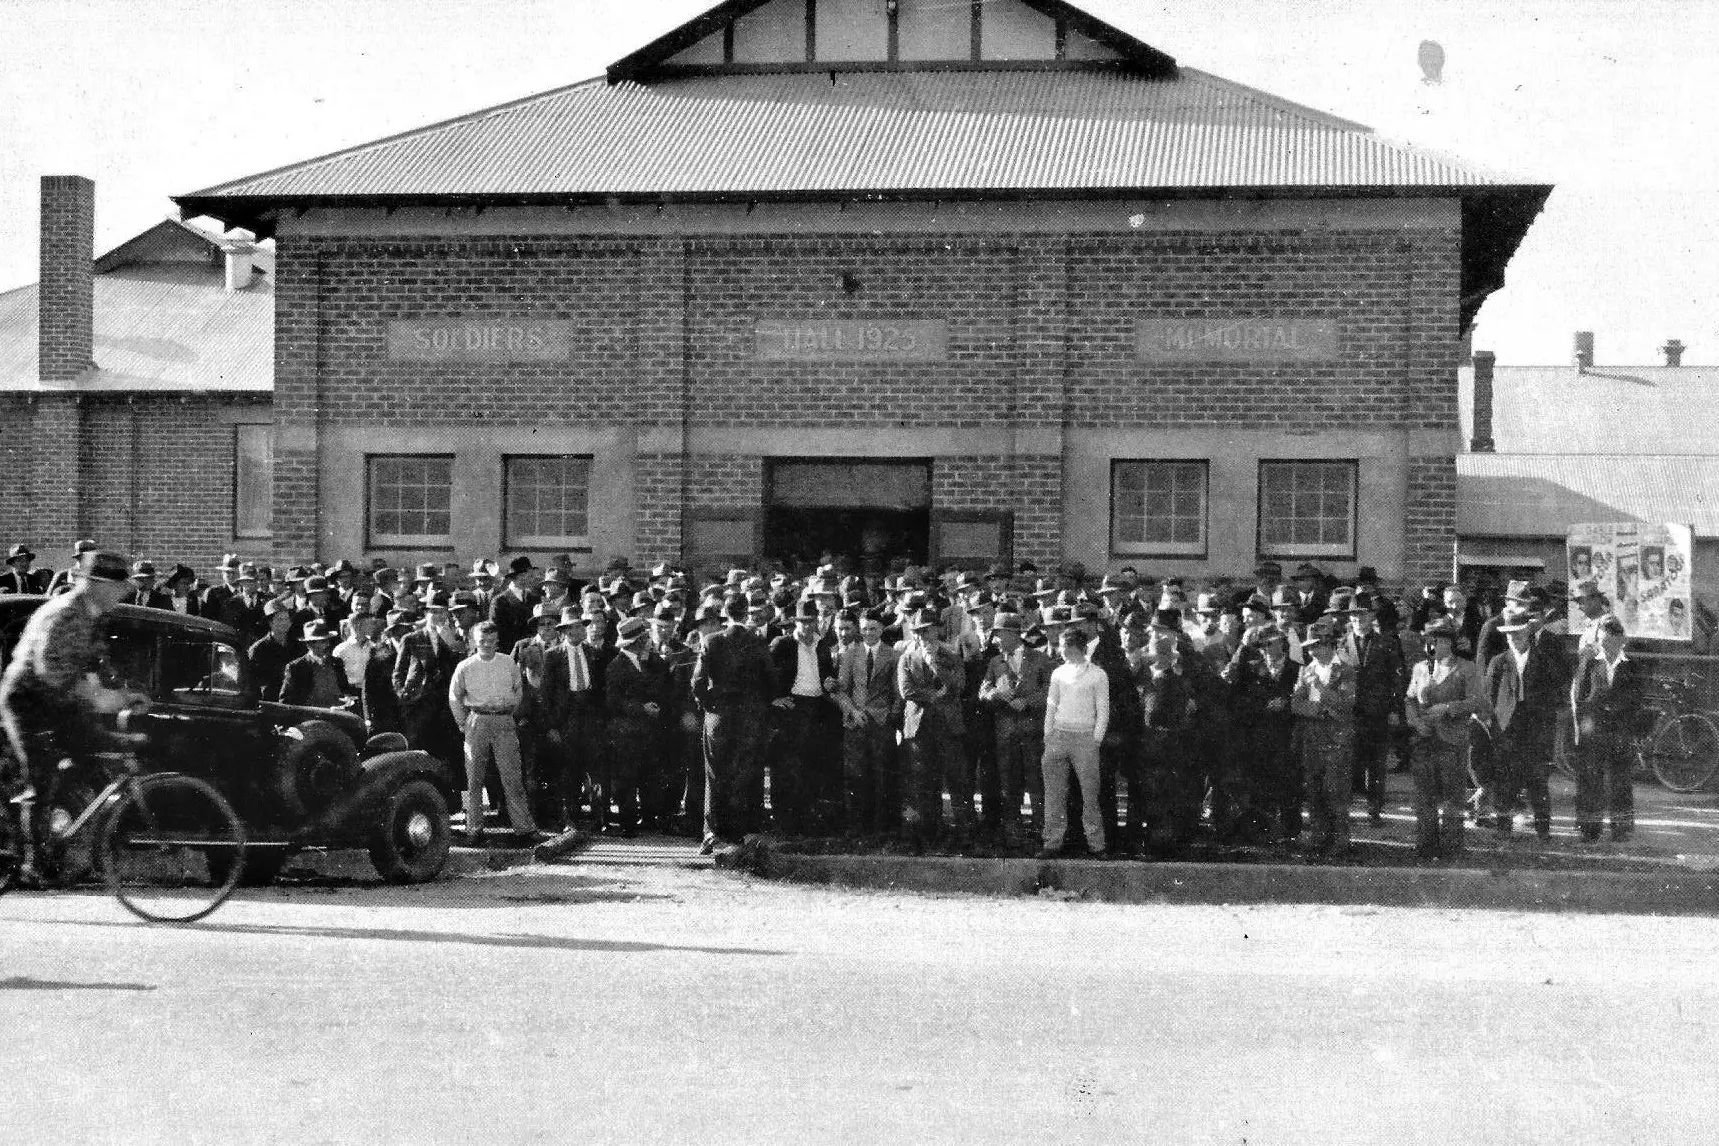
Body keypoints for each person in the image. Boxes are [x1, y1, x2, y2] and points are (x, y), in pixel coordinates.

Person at [0, 550, 140, 876]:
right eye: (119, 589)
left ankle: (67, 834)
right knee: (42, 775)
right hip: (27, 700)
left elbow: (98, 663)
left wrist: (124, 694)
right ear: (99, 586)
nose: (122, 596)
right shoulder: (65, 614)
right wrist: (98, 697)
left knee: (94, 751)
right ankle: (33, 861)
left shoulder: (93, 616)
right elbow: (49, 670)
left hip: (58, 699)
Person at [690, 595, 776, 853]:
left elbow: (697, 682)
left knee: (714, 773)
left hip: (719, 716)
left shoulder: (711, 641)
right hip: (749, 717)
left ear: (724, 613)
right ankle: (739, 831)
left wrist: (709, 705)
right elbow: (771, 682)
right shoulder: (757, 641)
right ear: (747, 612)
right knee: (744, 773)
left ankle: (712, 832)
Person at [447, 620, 541, 844]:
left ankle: (524, 828)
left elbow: (518, 690)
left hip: (503, 721)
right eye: (482, 641)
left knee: (512, 777)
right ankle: (474, 829)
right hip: (477, 719)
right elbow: (454, 697)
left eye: (491, 641)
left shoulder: (508, 663)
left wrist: (510, 713)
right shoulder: (465, 666)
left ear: (497, 641)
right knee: (474, 778)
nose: (487, 645)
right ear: (474, 642)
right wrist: (463, 723)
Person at [1403, 617, 1488, 859]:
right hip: (1424, 740)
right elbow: (1409, 699)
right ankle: (1426, 845)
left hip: (1452, 740)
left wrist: (1449, 707)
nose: (1430, 646)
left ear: (1448, 643)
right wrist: (1415, 722)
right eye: (1427, 641)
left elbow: (1477, 701)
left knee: (1452, 797)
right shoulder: (1420, 668)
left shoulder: (1466, 668)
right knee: (1425, 796)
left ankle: (1452, 847)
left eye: (1435, 641)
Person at [1484, 603, 1566, 842]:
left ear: (1528, 633)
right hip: (1507, 729)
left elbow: (1555, 693)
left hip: (1535, 730)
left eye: (1518, 633)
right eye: (1509, 635)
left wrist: (1547, 726)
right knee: (1505, 781)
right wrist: (1492, 728)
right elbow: (1489, 697)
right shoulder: (1498, 662)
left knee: (1537, 781)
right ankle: (1503, 827)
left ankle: (1543, 830)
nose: (1514, 639)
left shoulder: (1544, 661)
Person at [896, 610, 972, 849]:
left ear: (937, 630)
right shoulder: (906, 659)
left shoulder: (951, 657)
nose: (923, 636)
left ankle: (964, 834)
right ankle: (929, 833)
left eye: (927, 630)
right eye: (918, 631)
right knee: (923, 783)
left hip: (948, 727)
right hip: (919, 729)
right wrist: (936, 695)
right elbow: (906, 691)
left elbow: (959, 685)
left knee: (957, 780)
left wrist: (935, 665)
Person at [1570, 616, 1648, 843]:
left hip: (1620, 730)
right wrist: (1584, 725)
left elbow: (1637, 698)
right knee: (1591, 779)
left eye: (1611, 643)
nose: (1607, 647)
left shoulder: (1631, 665)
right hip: (1595, 729)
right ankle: (1589, 828)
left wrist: (1626, 722)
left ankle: (1621, 828)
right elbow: (1579, 695)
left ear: (1621, 641)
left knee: (1620, 780)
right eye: (1603, 642)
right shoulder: (1591, 662)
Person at [976, 611, 1050, 849]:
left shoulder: (1039, 658)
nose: (995, 640)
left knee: (1036, 783)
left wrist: (1027, 702)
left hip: (1032, 732)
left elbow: (1049, 690)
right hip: (1005, 733)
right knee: (1009, 784)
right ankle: (1013, 834)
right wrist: (996, 694)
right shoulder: (995, 662)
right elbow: (983, 691)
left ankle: (1041, 832)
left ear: (1012, 635)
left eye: (999, 635)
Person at [767, 601, 839, 836]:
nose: (807, 627)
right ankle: (784, 822)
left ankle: (807, 821)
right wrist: (773, 699)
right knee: (786, 766)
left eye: (811, 622)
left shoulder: (823, 645)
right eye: (803, 622)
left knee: (811, 764)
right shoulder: (782, 644)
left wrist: (830, 681)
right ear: (795, 623)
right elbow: (763, 675)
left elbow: (827, 674)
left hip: (817, 708)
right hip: (792, 708)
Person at [1038, 626, 1109, 859]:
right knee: (1054, 793)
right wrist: (1049, 735)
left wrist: (1095, 739)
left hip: (1085, 739)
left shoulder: (1098, 674)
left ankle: (1096, 845)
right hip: (1058, 736)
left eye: (1061, 645)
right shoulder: (1058, 673)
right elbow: (1051, 705)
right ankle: (1052, 842)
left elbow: (1103, 710)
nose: (1058, 649)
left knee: (1090, 794)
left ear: (1072, 647)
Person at [1292, 618, 1357, 858]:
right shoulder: (1306, 670)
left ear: (1329, 645)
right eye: (1309, 647)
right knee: (1315, 788)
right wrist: (1318, 710)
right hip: (1313, 737)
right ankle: (1319, 835)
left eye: (1316, 646)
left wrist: (1321, 688)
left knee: (1336, 790)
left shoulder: (1346, 671)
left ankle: (1340, 839)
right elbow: (1296, 703)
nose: (1311, 651)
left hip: (1337, 739)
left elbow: (1346, 703)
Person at [835, 609, 902, 835]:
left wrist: (890, 717)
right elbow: (841, 690)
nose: (868, 633)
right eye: (864, 629)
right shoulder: (850, 653)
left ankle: (880, 828)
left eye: (872, 629)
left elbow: (897, 692)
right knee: (855, 775)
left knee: (881, 775)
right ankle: (856, 827)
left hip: (881, 723)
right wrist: (853, 711)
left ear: (881, 629)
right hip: (855, 722)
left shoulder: (892, 655)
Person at [280, 621, 345, 708]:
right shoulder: (297, 668)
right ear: (309, 645)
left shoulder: (337, 663)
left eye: (327, 641)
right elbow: (285, 701)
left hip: (339, 716)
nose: (327, 645)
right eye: (322, 642)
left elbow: (344, 690)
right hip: (312, 718)